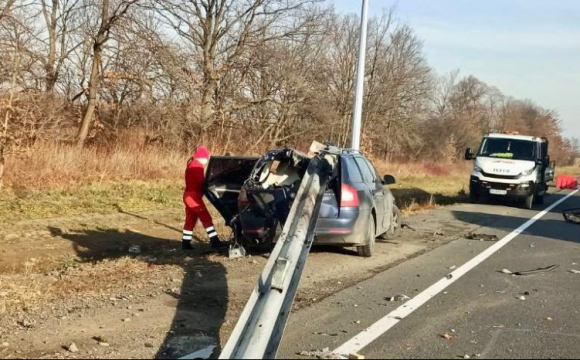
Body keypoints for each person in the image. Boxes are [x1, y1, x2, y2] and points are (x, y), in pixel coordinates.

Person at [181, 146, 228, 250]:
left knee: (190, 219)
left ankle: (185, 243)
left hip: (188, 196)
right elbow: (200, 181)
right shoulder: (197, 165)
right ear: (203, 157)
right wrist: (211, 183)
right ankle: (215, 241)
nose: (207, 160)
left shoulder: (191, 163)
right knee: (206, 217)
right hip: (193, 197)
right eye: (207, 157)